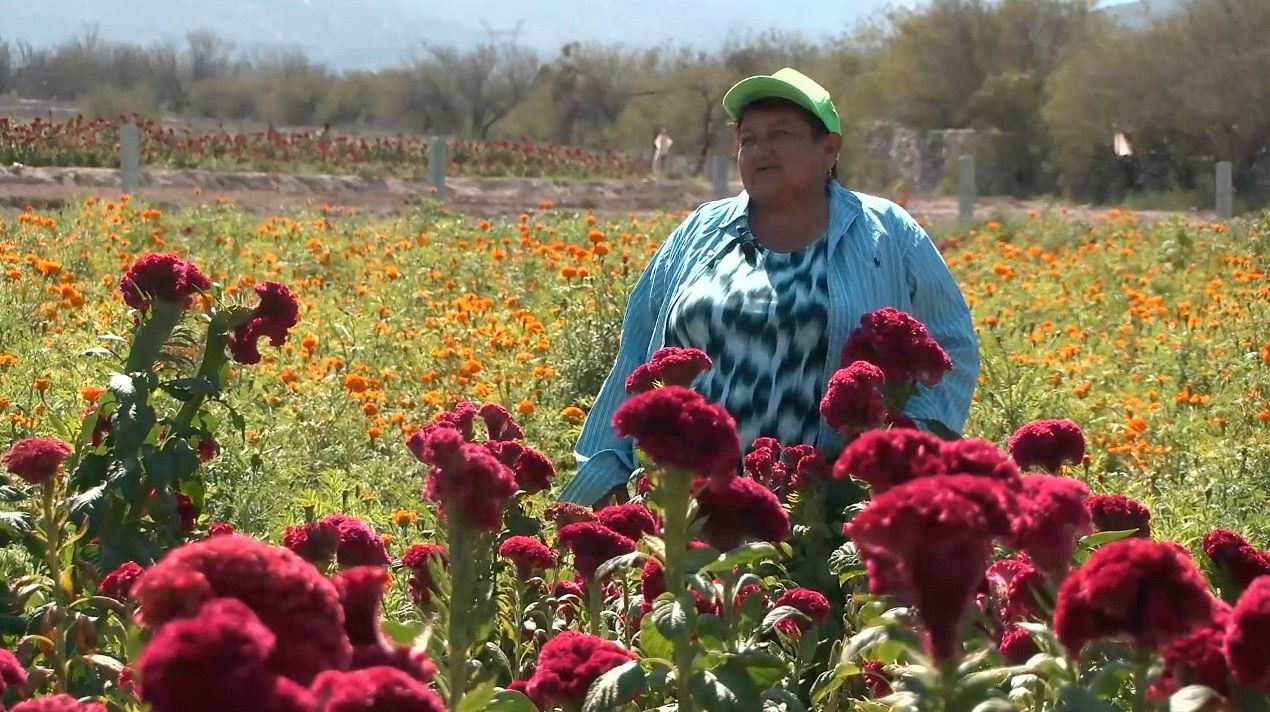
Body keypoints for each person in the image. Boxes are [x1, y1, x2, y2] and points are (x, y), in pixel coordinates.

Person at [559, 67, 979, 507]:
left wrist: (903, 455)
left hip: (823, 512)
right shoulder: (703, 229)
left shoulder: (887, 233)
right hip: (690, 506)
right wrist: (603, 474)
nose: (761, 150)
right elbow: (637, 353)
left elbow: (953, 346)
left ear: (829, 149)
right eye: (748, 139)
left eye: (780, 133)